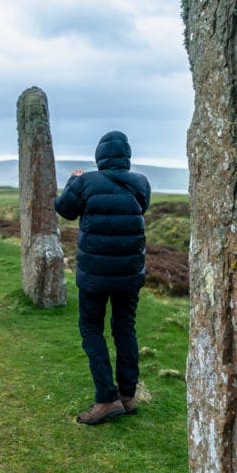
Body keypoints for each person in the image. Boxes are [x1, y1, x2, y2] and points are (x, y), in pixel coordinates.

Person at [54, 131, 151, 425]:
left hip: (94, 274)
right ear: (126, 155)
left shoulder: (85, 182)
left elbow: (65, 209)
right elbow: (140, 209)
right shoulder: (140, 183)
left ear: (100, 156)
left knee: (92, 329)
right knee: (125, 330)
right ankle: (128, 396)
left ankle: (106, 399)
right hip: (130, 273)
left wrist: (73, 180)